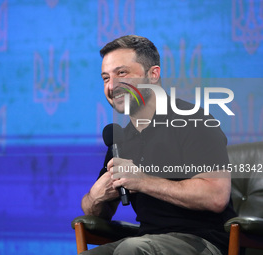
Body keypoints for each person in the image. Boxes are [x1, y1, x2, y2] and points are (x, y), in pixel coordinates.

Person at [80, 35, 237, 255]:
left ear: (153, 74)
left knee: (131, 249)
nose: (112, 86)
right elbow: (97, 214)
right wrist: (95, 196)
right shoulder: (119, 139)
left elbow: (216, 196)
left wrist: (142, 181)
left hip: (202, 242)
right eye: (106, 78)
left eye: (122, 73)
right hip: (146, 241)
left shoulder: (194, 120)